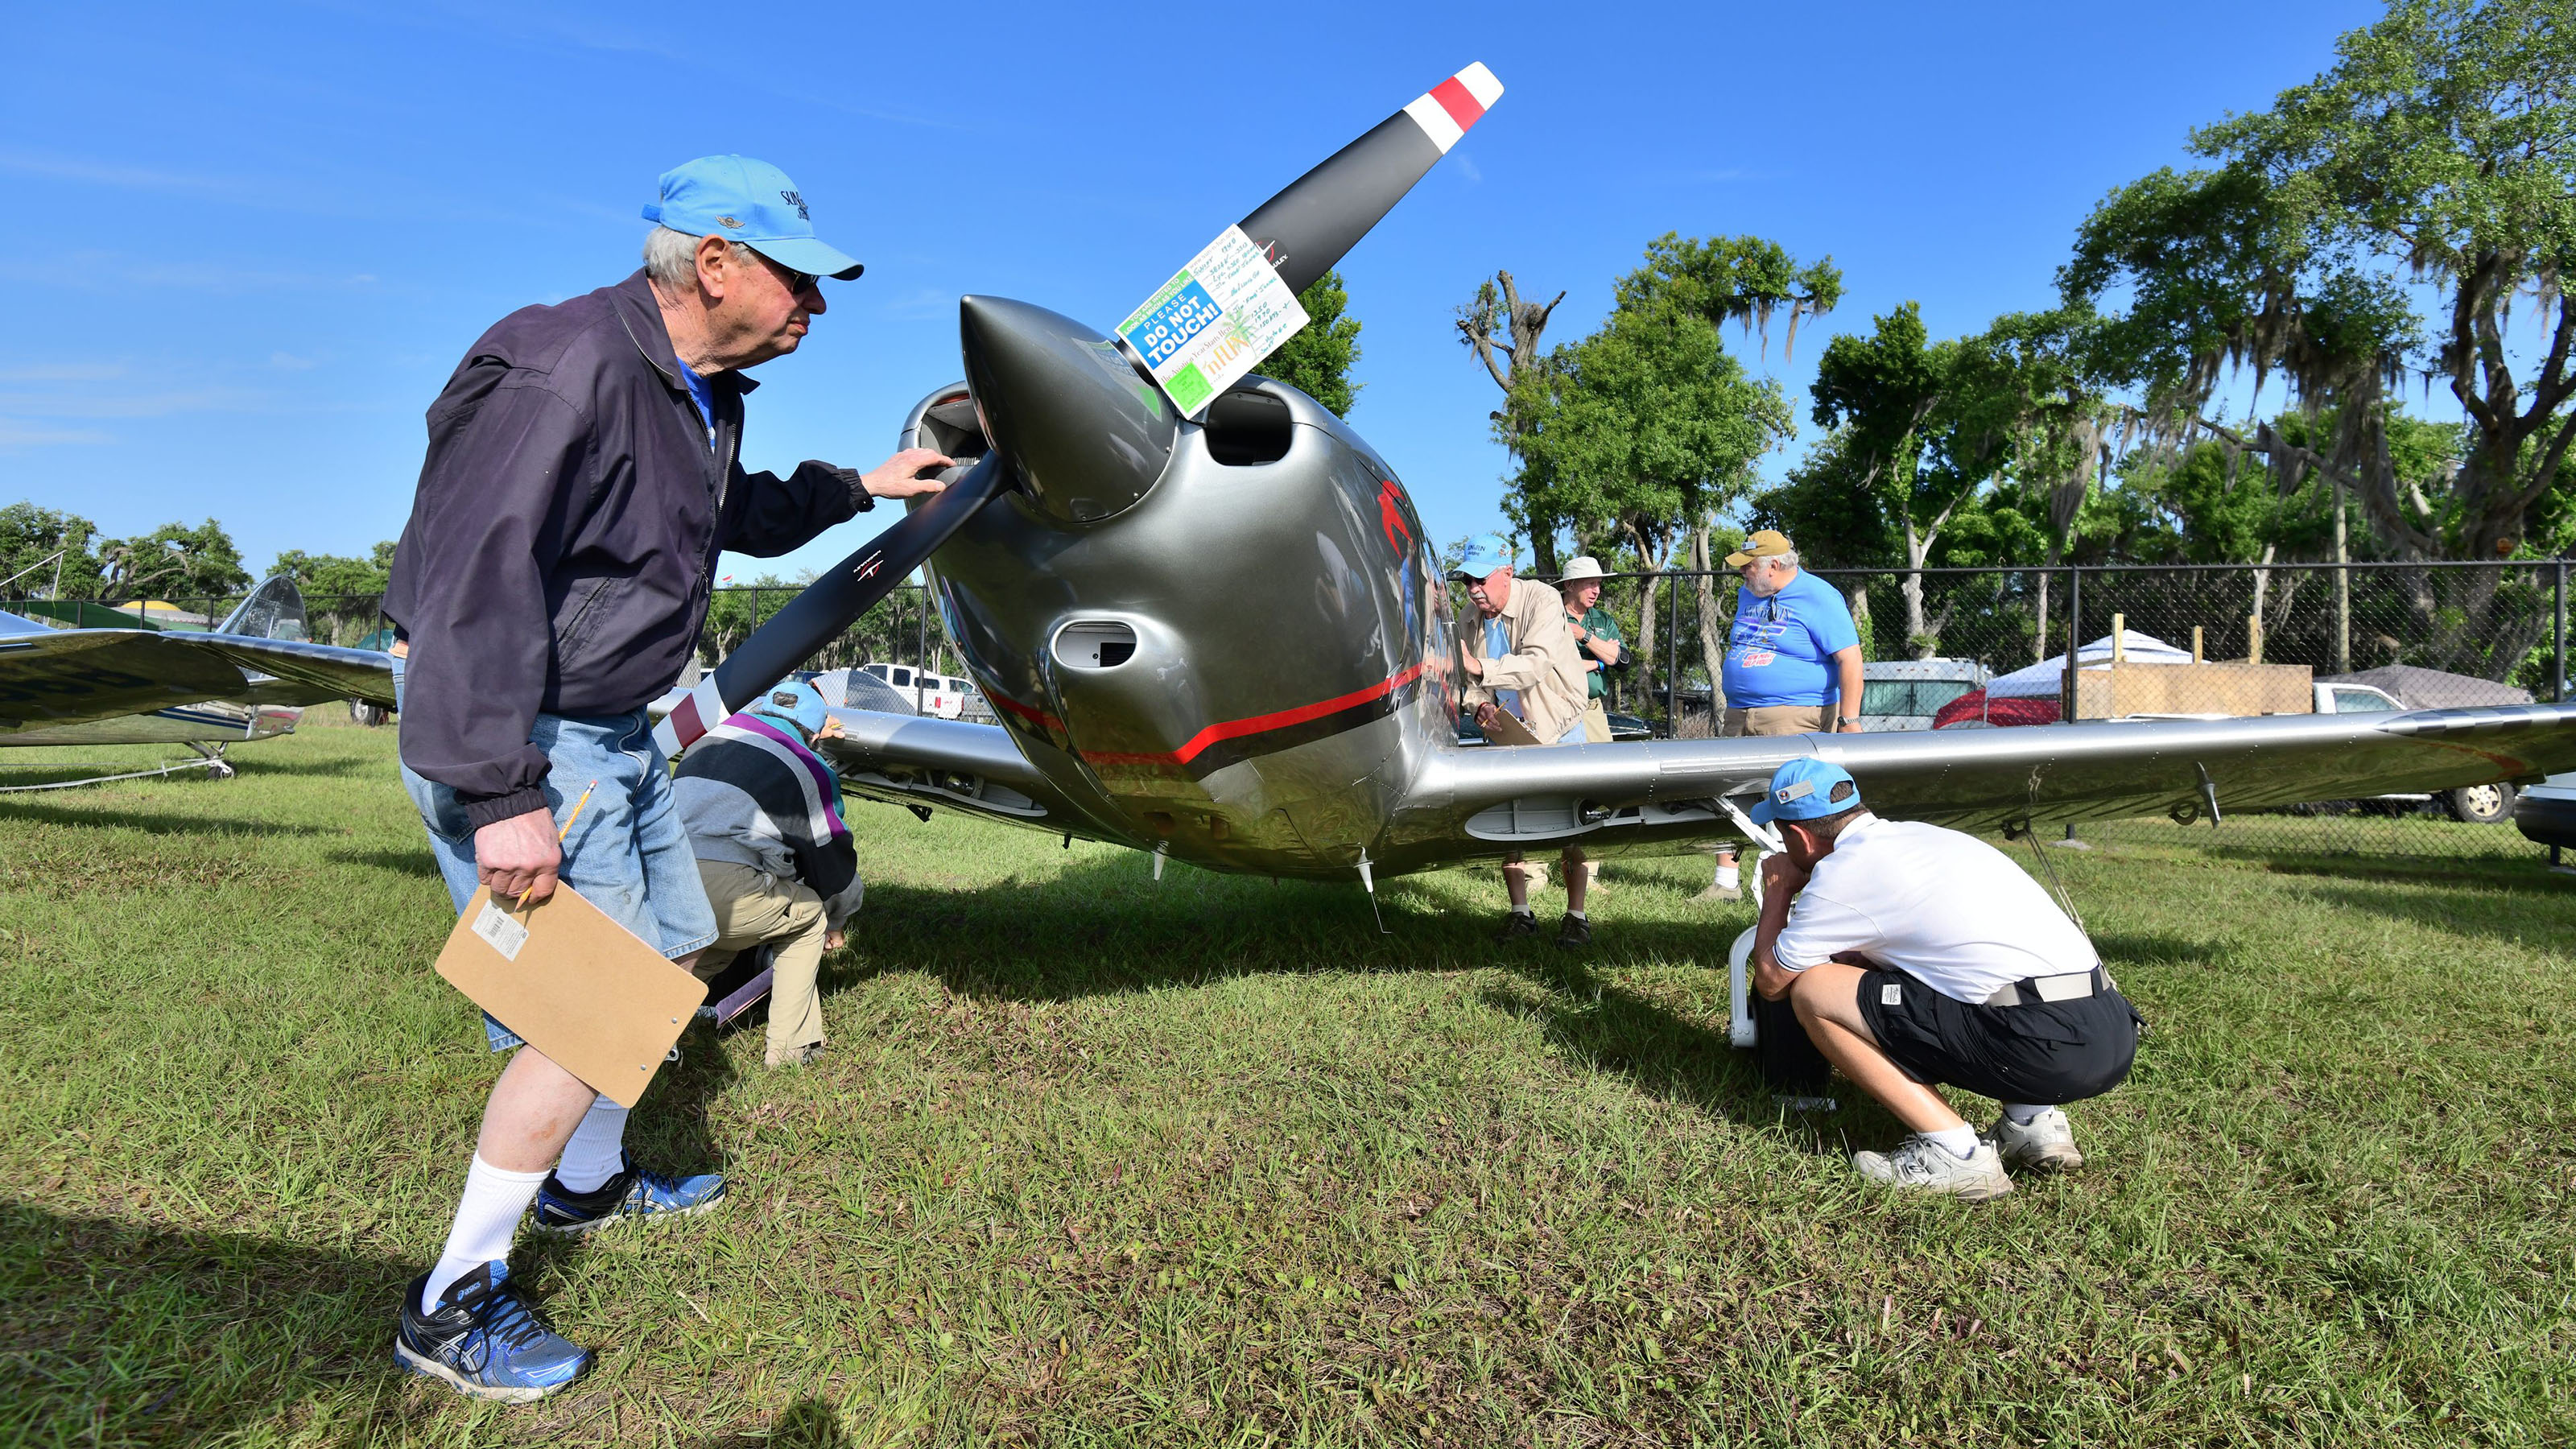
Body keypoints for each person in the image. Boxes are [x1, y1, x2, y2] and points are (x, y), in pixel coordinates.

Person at [383, 155, 952, 1401]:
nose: (816, 307)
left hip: (618, 730)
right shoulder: (563, 367)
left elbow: (719, 514)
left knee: (669, 958)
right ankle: (452, 1300)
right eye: (801, 281)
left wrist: (860, 487)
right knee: (586, 1016)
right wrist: (501, 794)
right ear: (714, 264)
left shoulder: (699, 391)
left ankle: (586, 1186)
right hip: (533, 737)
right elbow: (473, 576)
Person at [1747, 758, 2141, 1200]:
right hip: (2111, 1032)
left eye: (1783, 837)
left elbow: (1772, 981)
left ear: (1799, 836)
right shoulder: (1931, 838)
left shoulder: (1842, 874)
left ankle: (1956, 1155)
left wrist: (1779, 888)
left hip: (2040, 1046)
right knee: (1960, 975)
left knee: (1814, 989)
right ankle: (2034, 1123)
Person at [675, 680, 867, 1070]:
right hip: (725, 886)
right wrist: (838, 918)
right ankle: (793, 1053)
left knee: (710, 940)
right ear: (813, 734)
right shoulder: (805, 764)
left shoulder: (706, 741)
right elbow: (831, 862)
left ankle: (655, 1032)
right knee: (810, 916)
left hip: (666, 878)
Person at [1707, 530, 1864, 902]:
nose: (1743, 574)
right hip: (1739, 713)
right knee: (1727, 793)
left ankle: (1797, 889)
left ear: (1774, 566)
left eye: (1749, 567)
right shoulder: (1752, 592)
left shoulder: (1820, 597)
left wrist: (1850, 720)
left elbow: (1850, 658)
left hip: (1796, 716)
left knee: (1794, 801)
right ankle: (1725, 883)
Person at [1455, 564, 1591, 946]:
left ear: (1507, 573)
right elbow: (1466, 684)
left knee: (1575, 822)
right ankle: (1521, 914)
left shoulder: (1544, 599)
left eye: (1481, 579)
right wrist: (1479, 706)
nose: (1473, 589)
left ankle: (1576, 916)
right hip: (1507, 732)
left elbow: (1535, 664)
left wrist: (1479, 667)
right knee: (1507, 825)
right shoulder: (1468, 617)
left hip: (1558, 726)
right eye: (1467, 582)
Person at [1557, 555, 1624, 744]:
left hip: (1592, 708)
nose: (1597, 591)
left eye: (1599, 584)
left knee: (1604, 767)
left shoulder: (1603, 619)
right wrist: (1600, 661)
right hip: (1557, 708)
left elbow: (1623, 661)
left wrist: (1583, 636)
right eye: (1590, 584)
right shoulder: (1550, 614)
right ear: (1570, 585)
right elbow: (1554, 664)